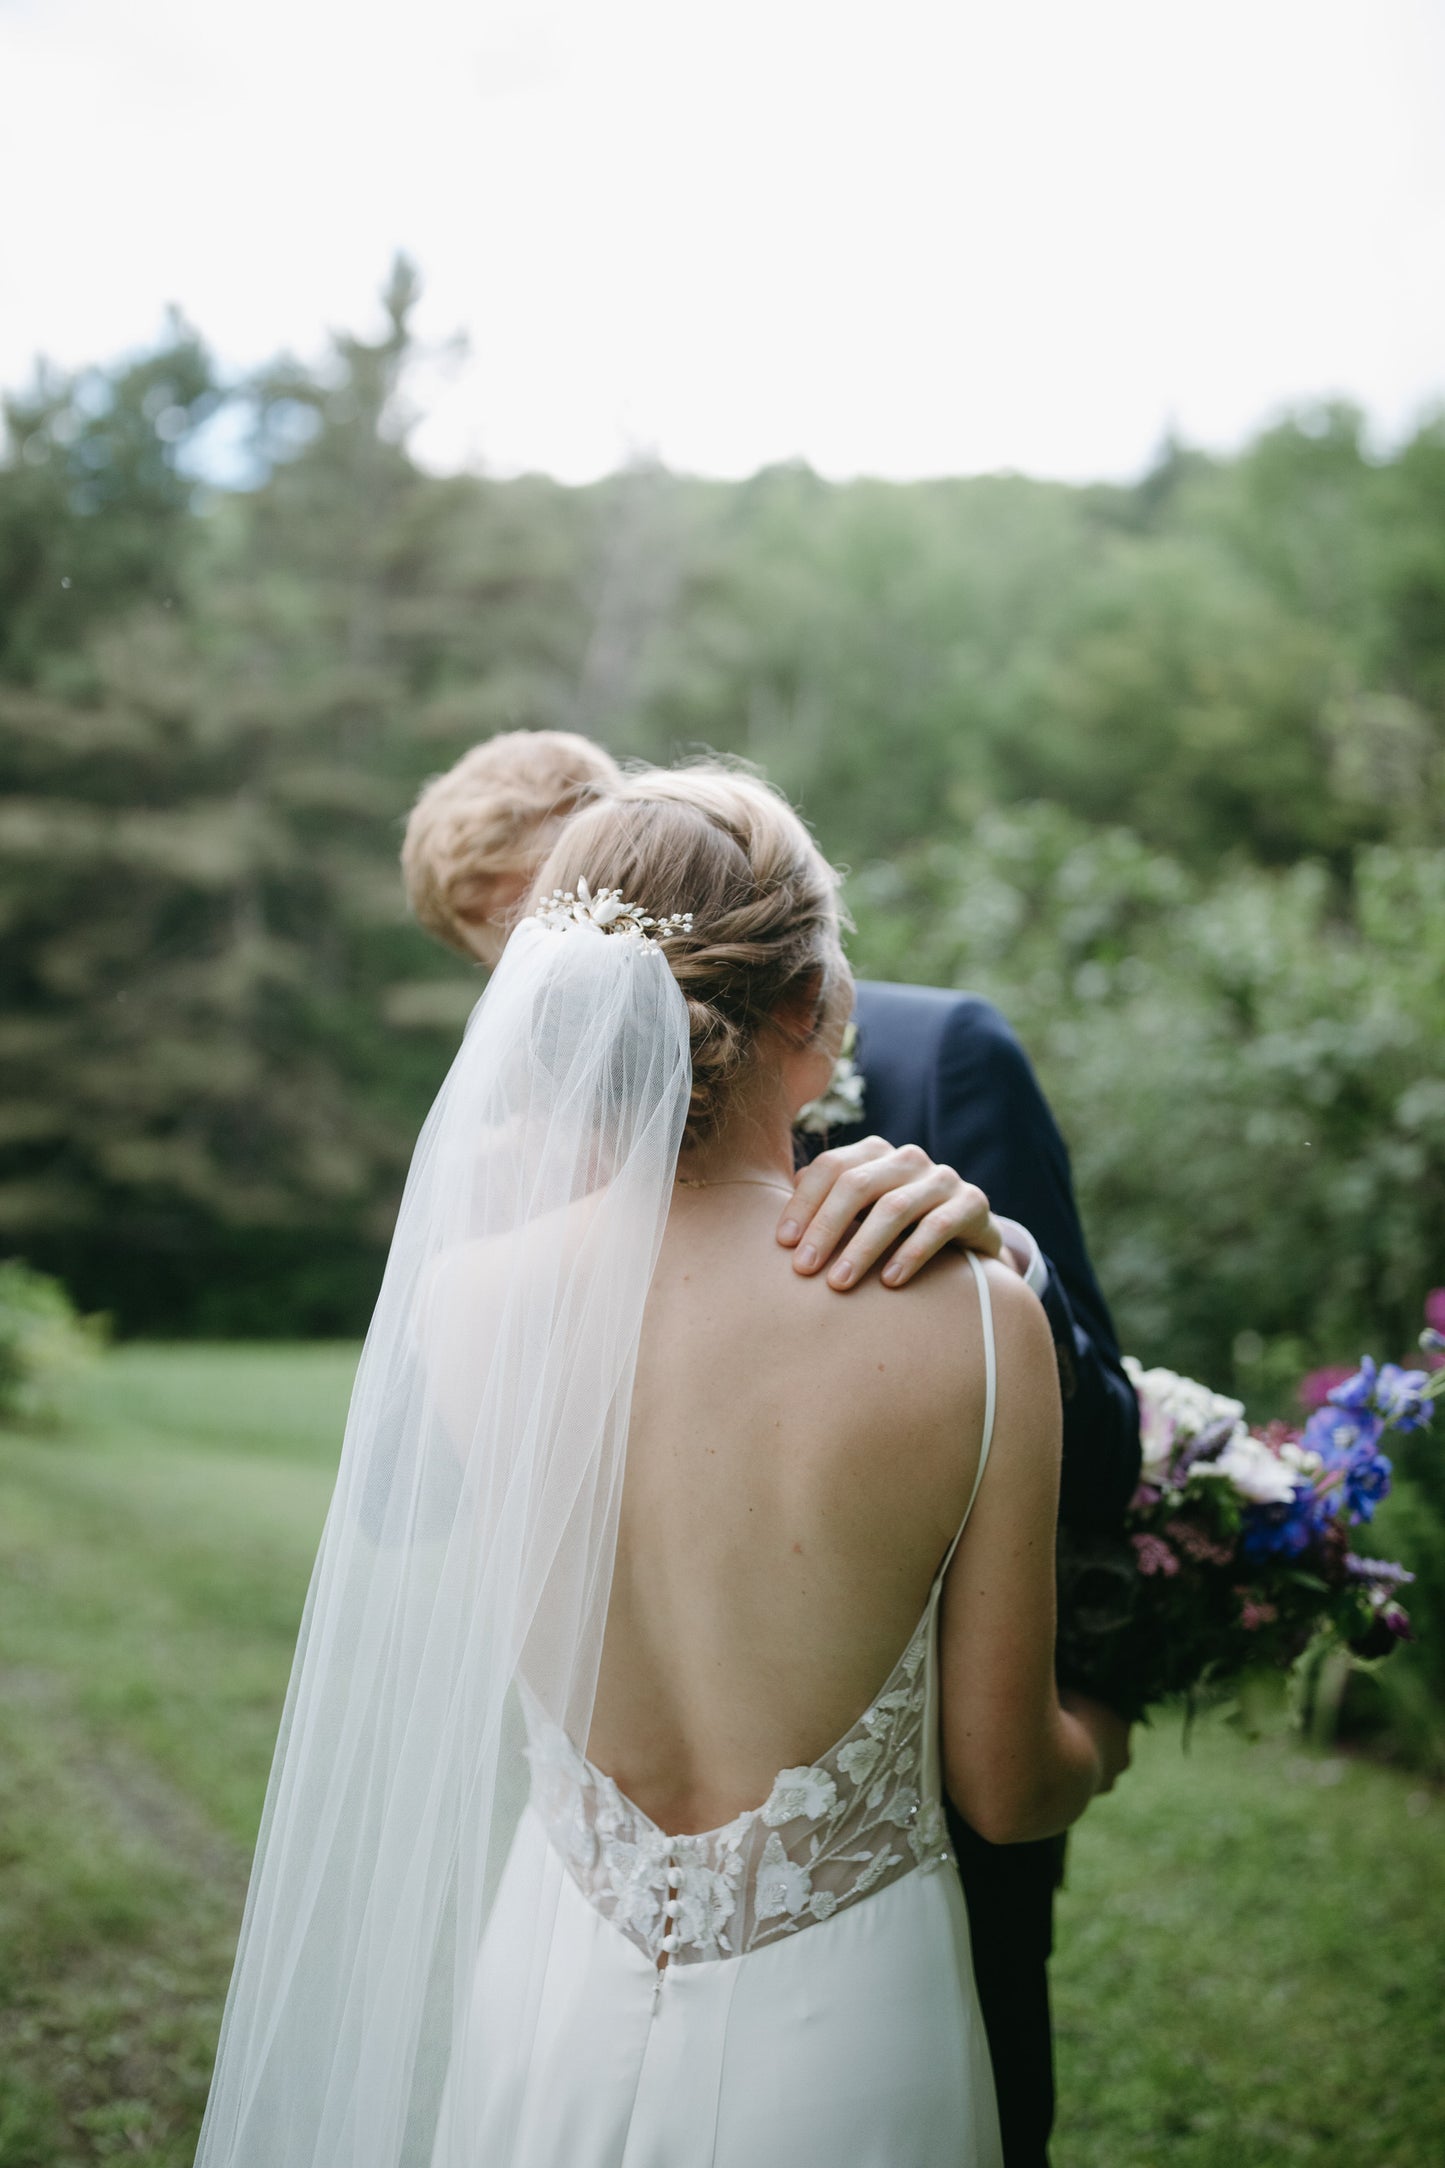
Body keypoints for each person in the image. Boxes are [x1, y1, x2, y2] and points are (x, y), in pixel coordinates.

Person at [197, 765, 1126, 2168]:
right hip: (845, 2038)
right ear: (813, 1012)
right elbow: (1005, 1788)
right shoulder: (976, 1319)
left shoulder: (466, 1306)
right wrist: (1110, 1723)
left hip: (548, 1996)